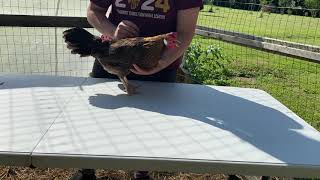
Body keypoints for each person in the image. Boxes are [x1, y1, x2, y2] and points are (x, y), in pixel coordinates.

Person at [71, 0, 203, 179]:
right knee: (96, 121)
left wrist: (161, 62)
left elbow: (185, 32)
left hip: (161, 64)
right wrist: (113, 31)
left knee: (153, 126)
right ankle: (87, 168)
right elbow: (94, 11)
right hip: (113, 57)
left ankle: (142, 170)